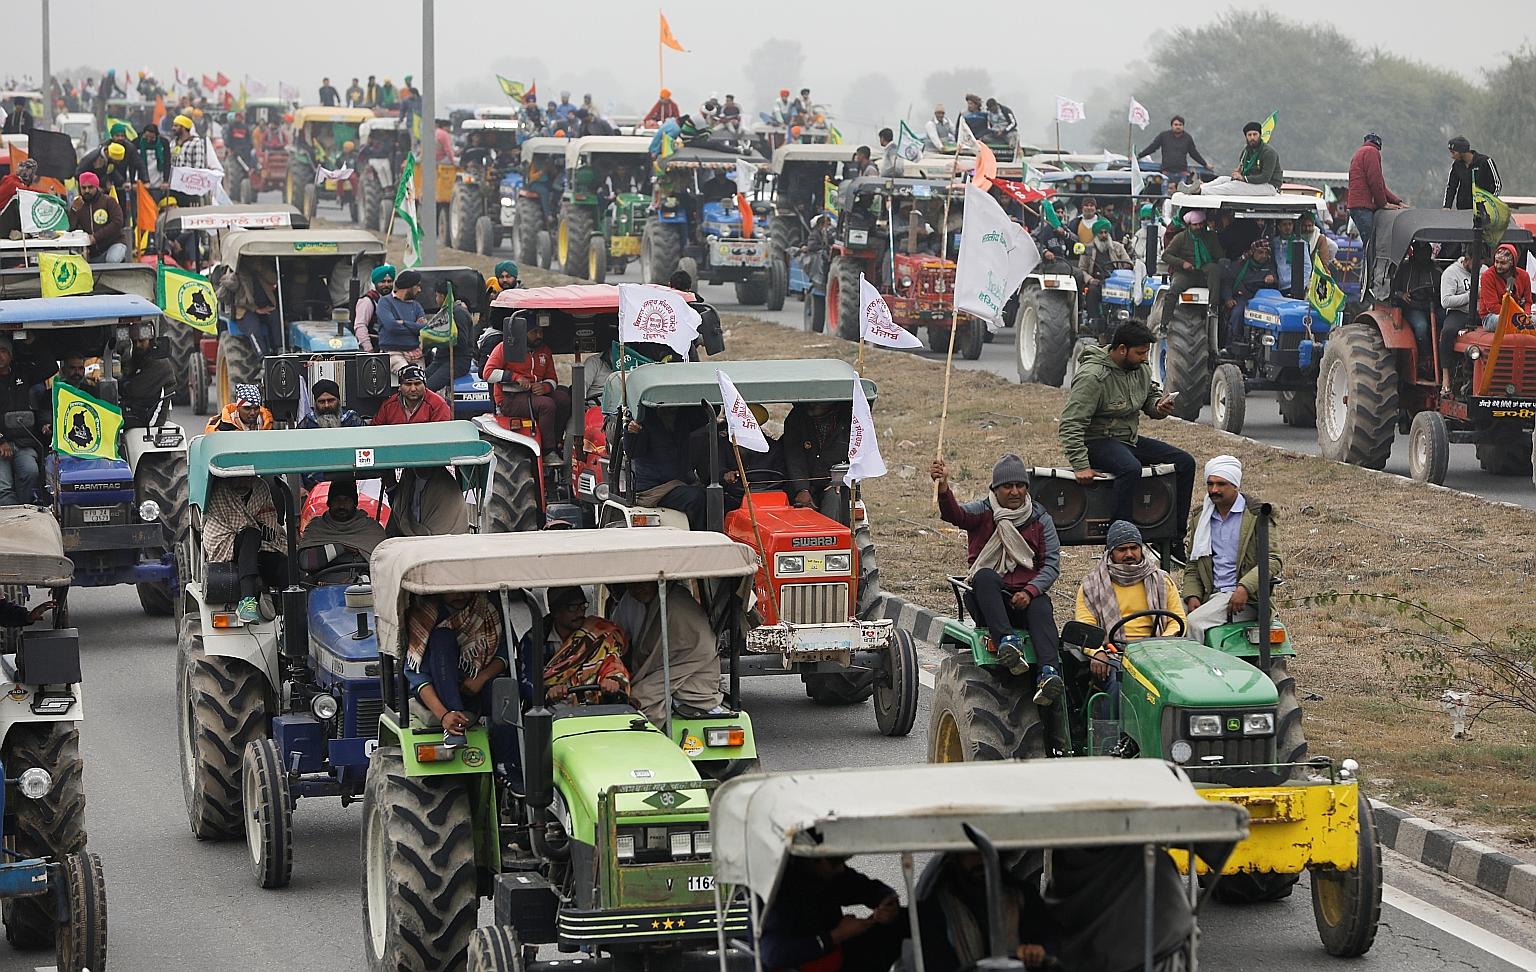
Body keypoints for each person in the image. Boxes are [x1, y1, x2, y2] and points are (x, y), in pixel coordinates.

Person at [931, 454, 1064, 701]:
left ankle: (1048, 673)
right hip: (989, 601)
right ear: (995, 489)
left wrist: (1030, 591)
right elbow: (955, 515)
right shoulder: (983, 512)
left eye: (1020, 486)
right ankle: (1007, 644)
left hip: (1025, 598)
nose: (1015, 492)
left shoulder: (1040, 519)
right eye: (1007, 486)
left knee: (1042, 607)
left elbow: (1051, 565)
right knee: (984, 578)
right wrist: (944, 486)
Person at [1058, 322, 1194, 553]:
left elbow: (1149, 396)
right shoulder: (1093, 377)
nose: (1144, 358)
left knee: (1184, 462)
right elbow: (1070, 423)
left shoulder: (1138, 368)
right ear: (1122, 349)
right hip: (1097, 442)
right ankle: (1120, 538)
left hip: (1127, 440)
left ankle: (1173, 539)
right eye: (1140, 353)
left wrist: (1158, 406)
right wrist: (1080, 465)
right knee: (1130, 468)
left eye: (1146, 353)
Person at [1181, 455, 1281, 643]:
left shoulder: (1257, 515)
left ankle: (1201, 670)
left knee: (1194, 623)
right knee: (1170, 618)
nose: (1214, 490)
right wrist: (1192, 595)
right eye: (1210, 484)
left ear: (1235, 485)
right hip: (1210, 594)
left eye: (1221, 484)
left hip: (1245, 599)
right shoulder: (1202, 518)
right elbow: (1193, 564)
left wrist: (1244, 587)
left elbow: (1273, 560)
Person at [759, 855, 907, 972]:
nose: (841, 868)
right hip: (806, 965)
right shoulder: (778, 891)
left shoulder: (830, 875)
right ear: (811, 859)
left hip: (836, 956)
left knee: (904, 920)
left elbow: (866, 888)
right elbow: (773, 955)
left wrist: (887, 902)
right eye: (835, 862)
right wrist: (837, 935)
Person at [613, 580, 730, 725]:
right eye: (632, 585)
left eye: (644, 583)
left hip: (693, 674)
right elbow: (618, 637)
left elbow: (698, 650)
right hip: (661, 672)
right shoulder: (631, 602)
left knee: (639, 700)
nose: (638, 590)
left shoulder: (676, 604)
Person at [404, 589, 507, 747]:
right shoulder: (424, 615)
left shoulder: (487, 607)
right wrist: (445, 715)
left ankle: (509, 763)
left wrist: (481, 678)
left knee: (506, 696)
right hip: (438, 691)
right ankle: (455, 721)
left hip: (476, 684)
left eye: (466, 591)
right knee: (442, 637)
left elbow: (505, 653)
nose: (461, 596)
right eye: (454, 591)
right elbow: (419, 677)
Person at [916, 851, 1050, 972]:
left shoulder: (1023, 896)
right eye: (973, 853)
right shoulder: (937, 905)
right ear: (956, 857)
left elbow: (1045, 940)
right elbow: (933, 959)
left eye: (987, 853)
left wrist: (1035, 952)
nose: (982, 860)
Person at [1075, 520, 1185, 661]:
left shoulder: (1162, 580)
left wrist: (1161, 645)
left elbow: (1177, 619)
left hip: (1159, 652)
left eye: (1134, 548)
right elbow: (1085, 627)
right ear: (1111, 552)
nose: (1129, 554)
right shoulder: (1091, 585)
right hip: (1114, 655)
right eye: (1122, 549)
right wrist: (1098, 653)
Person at [202, 470, 283, 622]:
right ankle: (247, 601)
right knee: (251, 533)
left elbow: (269, 515)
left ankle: (291, 609)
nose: (241, 483)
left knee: (283, 562)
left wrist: (269, 529)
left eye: (245, 477)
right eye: (236, 477)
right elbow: (241, 523)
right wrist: (260, 528)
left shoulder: (260, 487)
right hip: (223, 539)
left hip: (256, 544)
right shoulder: (219, 489)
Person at [483, 316, 571, 455]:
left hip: (535, 394)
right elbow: (487, 373)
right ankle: (548, 451)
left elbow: (552, 378)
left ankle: (558, 440)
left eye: (541, 332)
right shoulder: (504, 347)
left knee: (564, 399)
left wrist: (545, 387)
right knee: (546, 405)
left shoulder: (544, 350)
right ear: (523, 333)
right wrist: (515, 377)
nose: (539, 336)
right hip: (509, 399)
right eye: (534, 332)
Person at [624, 407, 709, 530]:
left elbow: (705, 416)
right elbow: (633, 452)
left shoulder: (683, 416)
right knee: (697, 498)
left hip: (681, 481)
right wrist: (632, 432)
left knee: (715, 496)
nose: (669, 408)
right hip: (655, 487)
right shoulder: (643, 420)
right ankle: (701, 540)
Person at [543, 586, 630, 704]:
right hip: (555, 710)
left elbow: (612, 660)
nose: (580, 612)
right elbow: (529, 684)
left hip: (596, 706)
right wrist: (549, 691)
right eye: (572, 607)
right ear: (555, 611)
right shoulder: (537, 639)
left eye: (583, 606)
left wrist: (611, 679)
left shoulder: (598, 632)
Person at [691, 404, 785, 511]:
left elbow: (780, 477)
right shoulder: (723, 444)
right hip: (733, 497)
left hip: (767, 498)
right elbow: (715, 469)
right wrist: (725, 475)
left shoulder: (773, 448)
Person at [1156, 209, 1226, 328]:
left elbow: (1219, 256)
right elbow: (1166, 255)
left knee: (1214, 269)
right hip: (1185, 273)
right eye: (1195, 224)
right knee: (1173, 290)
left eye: (1201, 224)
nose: (1199, 227)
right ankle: (1164, 324)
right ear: (1189, 225)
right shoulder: (1181, 237)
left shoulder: (1210, 237)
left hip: (1203, 271)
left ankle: (1213, 306)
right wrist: (1182, 263)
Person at [298, 475, 386, 569]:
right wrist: (341, 548)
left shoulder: (371, 529)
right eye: (337, 500)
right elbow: (305, 563)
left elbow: (384, 565)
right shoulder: (316, 528)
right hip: (323, 582)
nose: (341, 506)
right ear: (329, 503)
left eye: (347, 500)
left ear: (355, 503)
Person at [782, 401, 850, 518]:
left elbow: (855, 454)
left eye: (816, 403)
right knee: (800, 505)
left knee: (833, 497)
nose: (812, 406)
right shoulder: (796, 419)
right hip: (803, 480)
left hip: (834, 482)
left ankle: (833, 534)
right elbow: (794, 456)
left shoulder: (847, 420)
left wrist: (839, 479)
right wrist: (802, 488)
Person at [1345, 133, 1404, 259]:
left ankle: (1368, 275)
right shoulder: (1372, 152)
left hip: (1357, 207)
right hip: (1363, 207)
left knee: (1369, 246)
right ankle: (1370, 277)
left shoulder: (1360, 153)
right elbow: (1375, 181)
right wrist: (1384, 203)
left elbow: (1380, 185)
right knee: (1371, 248)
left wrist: (1397, 201)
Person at [0, 336, 40, 506]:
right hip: (1, 446)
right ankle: (12, 524)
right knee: (4, 485)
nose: (0, 356)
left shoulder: (23, 373)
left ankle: (24, 511)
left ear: (11, 354)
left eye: (3, 351)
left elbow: (50, 367)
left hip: (23, 443)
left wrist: (32, 342)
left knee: (31, 472)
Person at [1197, 122, 1282, 197]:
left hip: (1269, 186)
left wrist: (1243, 178)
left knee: (1235, 186)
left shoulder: (1268, 152)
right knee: (1223, 179)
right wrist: (1238, 174)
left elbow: (1265, 177)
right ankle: (1199, 187)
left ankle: (1202, 191)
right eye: (1249, 135)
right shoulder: (1246, 152)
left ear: (1260, 135)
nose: (1252, 137)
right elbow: (1243, 170)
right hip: (1252, 183)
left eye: (1255, 134)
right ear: (1246, 137)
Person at [376, 268, 429, 375]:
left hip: (415, 354)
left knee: (422, 380)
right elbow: (391, 326)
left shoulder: (416, 306)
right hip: (393, 353)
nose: (419, 290)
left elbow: (424, 329)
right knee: (409, 375)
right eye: (417, 286)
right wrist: (414, 326)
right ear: (408, 287)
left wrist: (404, 323)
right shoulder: (385, 302)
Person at [68, 172, 127, 263]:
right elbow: (71, 228)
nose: (87, 190)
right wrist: (73, 211)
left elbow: (118, 222)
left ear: (97, 187)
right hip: (92, 252)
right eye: (84, 188)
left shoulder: (108, 201)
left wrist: (95, 237)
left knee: (112, 260)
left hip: (114, 244)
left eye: (90, 187)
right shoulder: (78, 205)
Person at [1079, 218, 1132, 319]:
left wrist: (1128, 267)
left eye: (1105, 232)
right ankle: (1094, 321)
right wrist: (1090, 280)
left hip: (1116, 282)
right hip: (1097, 282)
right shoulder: (1088, 249)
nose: (1103, 235)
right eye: (1101, 233)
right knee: (1092, 291)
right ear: (1096, 234)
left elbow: (1128, 262)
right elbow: (1082, 269)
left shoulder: (1118, 247)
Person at [1392, 241, 1438, 356]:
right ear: (1415, 253)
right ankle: (1424, 356)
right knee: (1421, 327)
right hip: (1412, 307)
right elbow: (1391, 290)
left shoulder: (1436, 271)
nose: (1424, 256)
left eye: (1427, 253)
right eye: (1421, 253)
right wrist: (1401, 294)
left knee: (1447, 325)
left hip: (1433, 306)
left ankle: (1444, 356)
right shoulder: (1403, 269)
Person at [1439, 253, 1475, 393]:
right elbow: (1446, 301)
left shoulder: (1485, 271)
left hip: (1480, 312)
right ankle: (1446, 377)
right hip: (1459, 312)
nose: (1479, 267)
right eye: (1475, 264)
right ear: (1466, 259)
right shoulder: (1451, 273)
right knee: (1447, 332)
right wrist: (1470, 296)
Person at [1137, 115, 1209, 185]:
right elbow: (1152, 147)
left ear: (1183, 126)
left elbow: (1194, 153)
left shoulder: (1187, 138)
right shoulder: (1164, 136)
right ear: (1172, 125)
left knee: (1181, 194)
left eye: (1180, 125)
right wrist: (1139, 156)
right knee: (1166, 195)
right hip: (1167, 172)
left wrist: (1205, 164)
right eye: (1176, 124)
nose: (1178, 127)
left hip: (1182, 172)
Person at [372, 365, 451, 426]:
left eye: (417, 384)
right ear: (400, 387)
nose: (413, 389)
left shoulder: (438, 405)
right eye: (408, 384)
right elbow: (375, 430)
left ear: (425, 385)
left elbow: (442, 434)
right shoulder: (388, 405)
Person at [1478, 242, 1532, 329]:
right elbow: (1492, 306)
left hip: (1519, 314)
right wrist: (1517, 316)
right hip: (1491, 316)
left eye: (1503, 263)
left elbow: (1528, 301)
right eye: (1496, 262)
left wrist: (1527, 314)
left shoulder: (1524, 275)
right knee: (1507, 321)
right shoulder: (1487, 276)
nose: (1498, 266)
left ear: (1511, 263)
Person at [1443, 136, 1500, 210]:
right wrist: (1447, 206)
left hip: (1483, 210)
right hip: (1463, 209)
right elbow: (1451, 186)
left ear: (1461, 151)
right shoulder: (1456, 165)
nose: (1452, 156)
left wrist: (1489, 203)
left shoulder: (1485, 162)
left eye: (1453, 152)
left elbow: (1497, 185)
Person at [353, 264, 394, 352]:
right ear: (375, 283)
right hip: (375, 347)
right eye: (382, 282)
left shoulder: (393, 300)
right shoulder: (368, 301)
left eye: (389, 281)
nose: (386, 285)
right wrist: (369, 349)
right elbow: (360, 326)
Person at [206, 383, 274, 434]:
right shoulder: (221, 428)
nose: (253, 413)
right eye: (247, 408)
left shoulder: (267, 423)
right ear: (238, 408)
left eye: (256, 408)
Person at [297, 378, 364, 430]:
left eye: (331, 400)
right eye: (322, 401)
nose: (327, 405)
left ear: (339, 401)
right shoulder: (308, 421)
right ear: (315, 403)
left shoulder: (352, 419)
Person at [136, 123, 171, 190]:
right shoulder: (136, 143)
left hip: (158, 181)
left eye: (151, 138)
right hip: (141, 180)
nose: (148, 140)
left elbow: (167, 163)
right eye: (146, 137)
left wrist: (165, 181)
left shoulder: (163, 143)